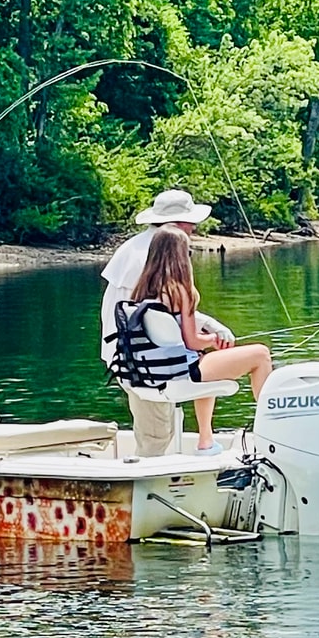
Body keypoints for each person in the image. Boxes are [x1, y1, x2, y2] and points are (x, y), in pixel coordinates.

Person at [100, 189, 235, 456]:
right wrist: (212, 329)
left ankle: (188, 454)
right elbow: (158, 313)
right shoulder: (156, 255)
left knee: (161, 426)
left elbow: (160, 311)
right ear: (177, 224)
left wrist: (209, 325)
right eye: (191, 222)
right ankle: (146, 478)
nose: (194, 228)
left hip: (133, 356)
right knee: (156, 433)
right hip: (142, 359)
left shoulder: (139, 247)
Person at [131, 225, 272, 454]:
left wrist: (206, 344)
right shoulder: (180, 290)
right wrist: (213, 339)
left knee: (209, 363)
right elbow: (192, 342)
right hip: (184, 372)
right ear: (180, 255)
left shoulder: (142, 289)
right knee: (261, 354)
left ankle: (206, 440)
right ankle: (270, 427)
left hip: (158, 372)